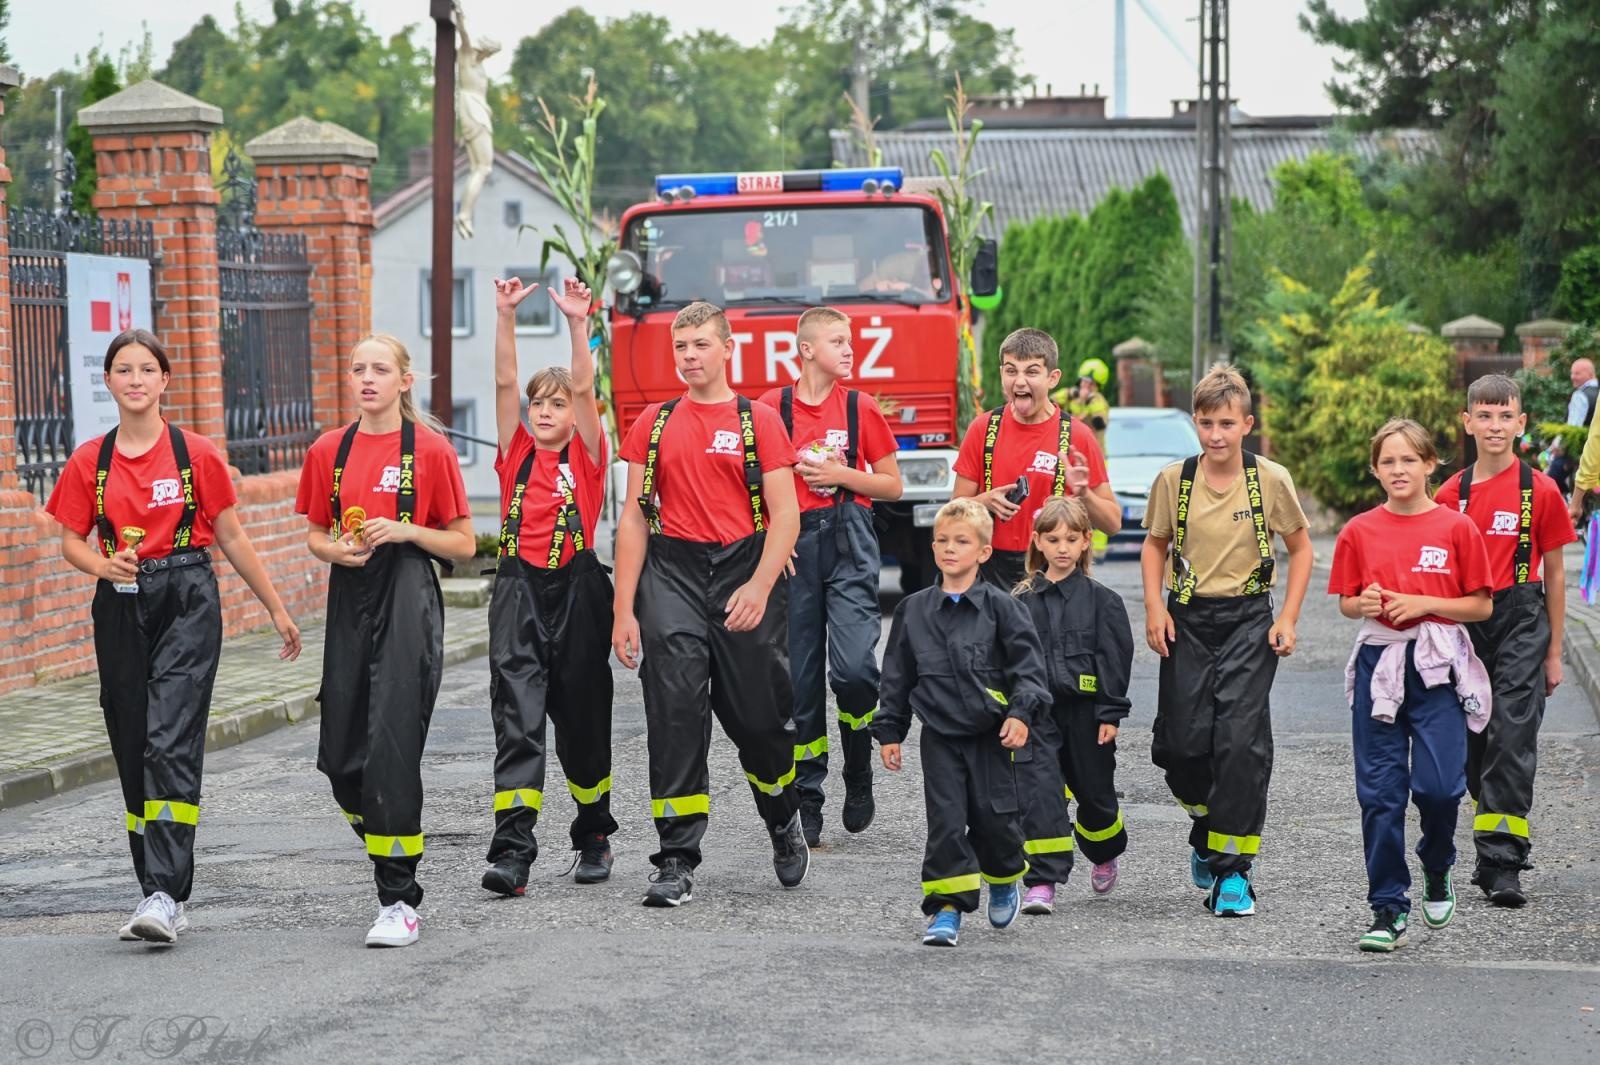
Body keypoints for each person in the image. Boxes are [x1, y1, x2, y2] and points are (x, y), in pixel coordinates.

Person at [45, 328, 302, 945]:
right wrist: (101, 566)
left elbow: (233, 535)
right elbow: (71, 541)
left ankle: (165, 892)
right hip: (121, 601)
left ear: (165, 381)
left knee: (169, 739)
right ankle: (153, 888)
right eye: (123, 370)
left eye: (146, 370)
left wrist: (277, 609)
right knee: (134, 741)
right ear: (107, 382)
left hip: (187, 594)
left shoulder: (196, 455)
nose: (135, 380)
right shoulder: (90, 461)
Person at [612, 301, 808, 908]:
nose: (690, 357)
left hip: (742, 568)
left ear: (728, 349)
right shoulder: (653, 422)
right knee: (674, 713)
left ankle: (782, 817)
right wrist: (624, 610)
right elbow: (634, 519)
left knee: (758, 718)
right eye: (681, 347)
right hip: (670, 572)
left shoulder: (759, 421)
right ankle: (676, 856)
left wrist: (759, 584)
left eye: (701, 345)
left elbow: (786, 516)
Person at [295, 334, 475, 947]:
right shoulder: (328, 450)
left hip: (407, 599)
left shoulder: (428, 449)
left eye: (379, 369)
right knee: (343, 758)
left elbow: (464, 543)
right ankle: (386, 847)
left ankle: (398, 899)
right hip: (349, 596)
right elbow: (316, 534)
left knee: (392, 750)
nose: (366, 378)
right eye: (357, 368)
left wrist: (406, 529)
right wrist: (335, 550)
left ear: (404, 381)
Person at [1140, 364, 1312, 917]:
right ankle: (1206, 825)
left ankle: (1233, 873)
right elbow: (1154, 545)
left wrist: (1286, 617)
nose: (1217, 435)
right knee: (1181, 745)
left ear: (1247, 424)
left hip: (1248, 621)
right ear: (1196, 422)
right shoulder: (1175, 480)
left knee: (1239, 741)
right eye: (1208, 423)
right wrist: (1152, 608)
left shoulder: (1270, 480)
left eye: (1227, 424)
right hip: (1186, 618)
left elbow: (1302, 548)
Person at [1329, 419, 1493, 952]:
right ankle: (1387, 907)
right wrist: (1366, 604)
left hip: (1436, 667)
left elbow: (1480, 604)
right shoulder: (1358, 530)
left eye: (1408, 460)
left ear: (1429, 464)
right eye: (1388, 462)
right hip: (1381, 662)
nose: (1398, 470)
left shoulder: (1455, 528)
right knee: (1379, 795)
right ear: (1375, 470)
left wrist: (1425, 604)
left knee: (1441, 788)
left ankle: (1438, 863)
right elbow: (1348, 601)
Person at [480, 275, 617, 898]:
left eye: (556, 405)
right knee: (518, 719)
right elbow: (506, 382)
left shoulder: (587, 455)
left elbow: (586, 387)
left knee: (584, 726)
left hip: (581, 592)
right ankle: (513, 849)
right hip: (516, 593)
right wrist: (506, 315)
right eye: (540, 403)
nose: (544, 411)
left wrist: (578, 322)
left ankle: (592, 830)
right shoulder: (515, 452)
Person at [874, 498, 1050, 946]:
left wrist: (1020, 714)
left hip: (992, 737)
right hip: (941, 738)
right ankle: (946, 909)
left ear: (984, 552)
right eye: (942, 541)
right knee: (947, 823)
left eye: (962, 542)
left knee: (995, 822)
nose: (950, 549)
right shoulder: (914, 611)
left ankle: (1005, 874)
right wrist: (890, 731)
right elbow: (897, 675)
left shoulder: (1004, 609)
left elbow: (1029, 670)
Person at [757, 306, 903, 848]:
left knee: (854, 670)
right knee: (799, 682)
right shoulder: (773, 408)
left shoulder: (860, 407)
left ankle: (858, 770)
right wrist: (773, 540)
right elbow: (754, 486)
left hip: (850, 539)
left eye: (851, 341)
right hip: (795, 548)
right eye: (838, 341)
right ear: (806, 349)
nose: (850, 349)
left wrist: (842, 474)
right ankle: (809, 797)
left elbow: (892, 485)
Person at [1434, 375, 1575, 907]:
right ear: (1467, 423)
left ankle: (1501, 861)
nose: (1495, 426)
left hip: (1522, 618)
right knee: (1474, 743)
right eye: (1484, 416)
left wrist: (1554, 650)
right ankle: (1490, 823)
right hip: (1465, 623)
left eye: (1505, 416)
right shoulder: (1451, 495)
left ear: (1521, 424)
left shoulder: (1540, 489)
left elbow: (1557, 575)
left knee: (1511, 735)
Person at [1012, 497, 1134, 914]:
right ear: (1038, 543)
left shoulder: (1104, 601)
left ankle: (1103, 851)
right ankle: (1042, 880)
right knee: (1039, 795)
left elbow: (1115, 659)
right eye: (1053, 538)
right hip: (1037, 716)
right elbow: (1008, 661)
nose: (1062, 547)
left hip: (1087, 717)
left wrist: (1110, 712)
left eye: (1071, 538)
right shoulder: (1020, 602)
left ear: (1087, 542)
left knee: (1095, 797)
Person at [953, 328, 1120, 590]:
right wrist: (983, 502)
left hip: (1055, 574)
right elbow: (954, 512)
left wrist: (1085, 494)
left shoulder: (1079, 435)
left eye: (1031, 372)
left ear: (1053, 378)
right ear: (1001, 375)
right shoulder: (982, 429)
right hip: (990, 573)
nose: (1019, 382)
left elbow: (1112, 524)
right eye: (1011, 371)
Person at [1544, 357, 1594, 494]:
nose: (1572, 377)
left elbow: (1572, 429)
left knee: (1550, 481)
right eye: (1572, 373)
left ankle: (1566, 505)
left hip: (1576, 454)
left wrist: (1557, 447)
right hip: (1594, 454)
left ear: (1590, 374)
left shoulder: (1580, 396)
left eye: (1577, 373)